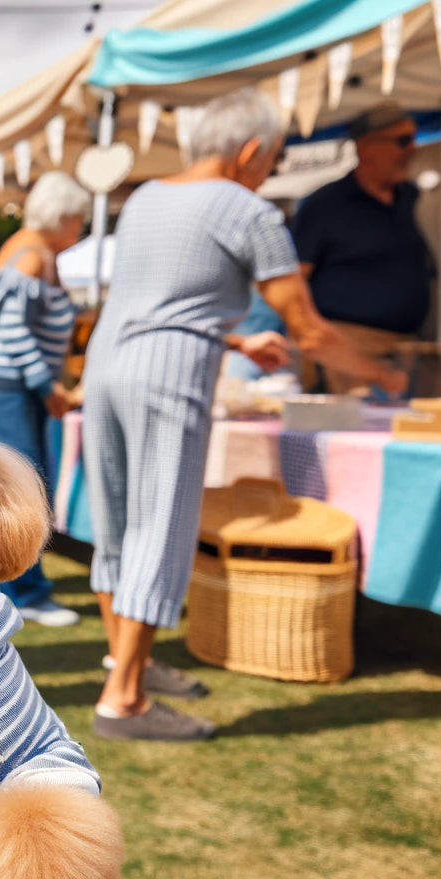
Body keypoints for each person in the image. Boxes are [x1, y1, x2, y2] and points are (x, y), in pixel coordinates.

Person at [83, 89, 406, 743]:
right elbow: (308, 329)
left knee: (117, 526)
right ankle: (125, 702)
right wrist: (382, 374)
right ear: (252, 151)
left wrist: (234, 340)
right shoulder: (249, 208)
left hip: (105, 366)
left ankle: (124, 659)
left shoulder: (145, 196)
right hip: (168, 375)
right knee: (160, 527)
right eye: (276, 157)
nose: (272, 169)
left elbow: (159, 298)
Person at [0, 171, 90, 629]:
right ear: (62, 216)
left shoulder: (30, 250)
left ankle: (16, 584)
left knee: (17, 483)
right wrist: (47, 385)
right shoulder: (32, 255)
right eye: (78, 219)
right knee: (22, 486)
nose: (80, 229)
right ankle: (25, 590)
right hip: (5, 387)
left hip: (4, 384)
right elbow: (12, 328)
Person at [290, 102, 432, 395]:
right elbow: (293, 280)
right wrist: (313, 342)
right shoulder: (325, 205)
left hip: (406, 349)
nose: (412, 150)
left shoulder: (412, 198)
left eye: (414, 140)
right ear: (367, 148)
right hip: (347, 352)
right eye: (402, 141)